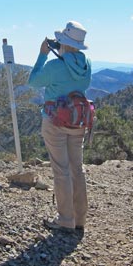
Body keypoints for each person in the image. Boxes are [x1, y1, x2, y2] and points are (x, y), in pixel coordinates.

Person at [27, 21, 92, 232]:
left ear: (63, 42)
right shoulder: (86, 64)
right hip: (78, 120)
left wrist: (43, 54)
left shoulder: (55, 65)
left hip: (55, 121)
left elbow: (33, 81)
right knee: (77, 169)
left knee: (61, 170)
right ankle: (79, 219)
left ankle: (65, 219)